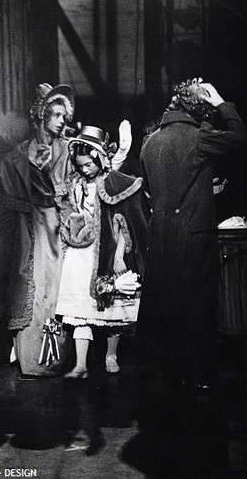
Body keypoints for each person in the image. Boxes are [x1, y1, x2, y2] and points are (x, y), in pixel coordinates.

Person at [0, 84, 132, 377]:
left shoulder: (69, 149)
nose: (62, 121)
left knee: (60, 290)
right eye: (56, 114)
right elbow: (2, 183)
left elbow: (97, 172)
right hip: (34, 227)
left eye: (64, 115)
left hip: (64, 227)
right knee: (31, 285)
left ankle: (56, 357)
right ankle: (29, 353)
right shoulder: (20, 153)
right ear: (40, 116)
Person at [137, 78, 247, 395]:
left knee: (169, 305)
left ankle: (173, 378)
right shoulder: (198, 136)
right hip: (193, 234)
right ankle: (197, 378)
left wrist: (201, 190)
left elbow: (156, 190)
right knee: (197, 306)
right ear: (201, 108)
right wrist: (222, 103)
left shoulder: (150, 142)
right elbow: (241, 139)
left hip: (160, 235)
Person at [55, 126, 149, 379]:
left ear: (99, 158)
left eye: (88, 164)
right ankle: (81, 364)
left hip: (105, 251)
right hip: (79, 254)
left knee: (110, 309)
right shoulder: (74, 182)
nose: (84, 169)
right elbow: (68, 211)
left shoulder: (110, 183)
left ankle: (111, 355)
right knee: (80, 310)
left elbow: (122, 222)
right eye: (80, 164)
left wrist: (119, 255)